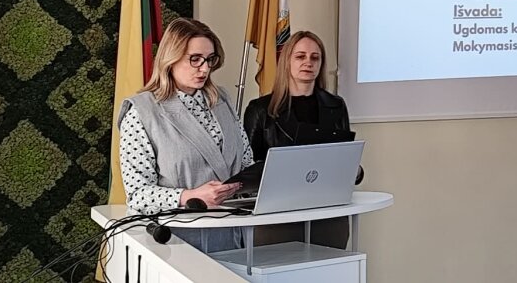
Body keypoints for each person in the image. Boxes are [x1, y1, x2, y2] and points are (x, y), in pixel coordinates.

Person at [117, 18, 251, 253]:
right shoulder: (141, 112)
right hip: (177, 242)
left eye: (210, 59)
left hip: (234, 235)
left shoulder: (223, 100)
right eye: (195, 59)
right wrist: (189, 196)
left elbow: (246, 162)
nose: (204, 68)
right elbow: (138, 195)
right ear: (171, 58)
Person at [243, 30, 358, 247]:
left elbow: (343, 155)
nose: (308, 62)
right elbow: (248, 167)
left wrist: (353, 169)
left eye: (315, 57)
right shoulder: (260, 109)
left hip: (328, 215)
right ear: (287, 61)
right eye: (300, 56)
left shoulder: (336, 105)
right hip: (276, 218)